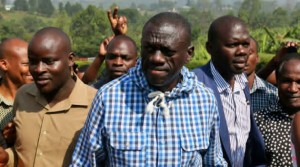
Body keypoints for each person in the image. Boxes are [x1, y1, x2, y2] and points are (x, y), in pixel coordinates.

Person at [71, 12, 227, 166]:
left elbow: (213, 162)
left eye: (167, 52)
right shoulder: (110, 97)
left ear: (188, 54)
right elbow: (83, 162)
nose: (156, 58)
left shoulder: (204, 100)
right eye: (149, 49)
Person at [0, 27, 97, 166]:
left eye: (49, 61)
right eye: (33, 62)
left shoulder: (95, 104)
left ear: (70, 60)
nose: (39, 69)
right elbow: (22, 152)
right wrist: (7, 158)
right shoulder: (23, 96)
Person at [192, 15, 267, 166]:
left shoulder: (242, 81)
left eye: (245, 45)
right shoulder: (195, 85)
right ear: (210, 48)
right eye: (233, 45)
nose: (242, 51)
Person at [254, 53, 300, 166]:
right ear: (277, 80)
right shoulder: (258, 121)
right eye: (287, 81)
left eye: (299, 82)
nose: (293, 89)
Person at [81, 6, 131, 85]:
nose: (118, 63)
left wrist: (120, 37)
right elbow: (86, 84)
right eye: (112, 57)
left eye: (125, 58)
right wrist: (101, 56)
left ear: (136, 62)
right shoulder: (104, 89)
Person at [0, 38, 33, 148]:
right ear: (4, 64)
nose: (34, 69)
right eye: (26, 64)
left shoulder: (41, 98)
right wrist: (5, 141)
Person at [245, 37, 278, 112]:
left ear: (257, 58)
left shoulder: (272, 94)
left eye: (249, 53)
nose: (244, 58)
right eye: (239, 54)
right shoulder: (218, 93)